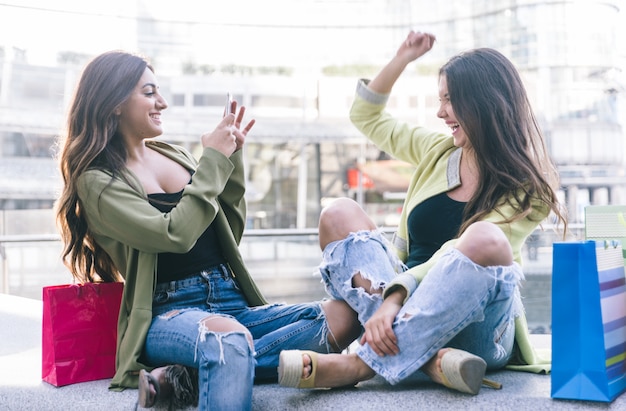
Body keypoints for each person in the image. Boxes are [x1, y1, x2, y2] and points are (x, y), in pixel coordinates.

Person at [55, 51, 361, 410]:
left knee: (345, 316)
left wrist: (230, 160)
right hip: (169, 312)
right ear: (115, 102)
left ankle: (187, 376)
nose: (162, 103)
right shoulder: (98, 180)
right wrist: (212, 160)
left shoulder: (172, 154)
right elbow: (174, 235)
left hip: (232, 301)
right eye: (149, 92)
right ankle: (212, 361)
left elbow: (226, 229)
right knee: (228, 340)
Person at [277, 31, 566, 395]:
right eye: (440, 99)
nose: (440, 112)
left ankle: (358, 365)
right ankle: (431, 361)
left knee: (484, 238)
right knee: (339, 212)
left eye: (449, 100)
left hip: (477, 325)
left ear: (482, 103)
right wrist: (402, 58)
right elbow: (365, 116)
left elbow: (462, 250)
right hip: (400, 307)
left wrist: (395, 297)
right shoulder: (437, 151)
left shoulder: (529, 188)